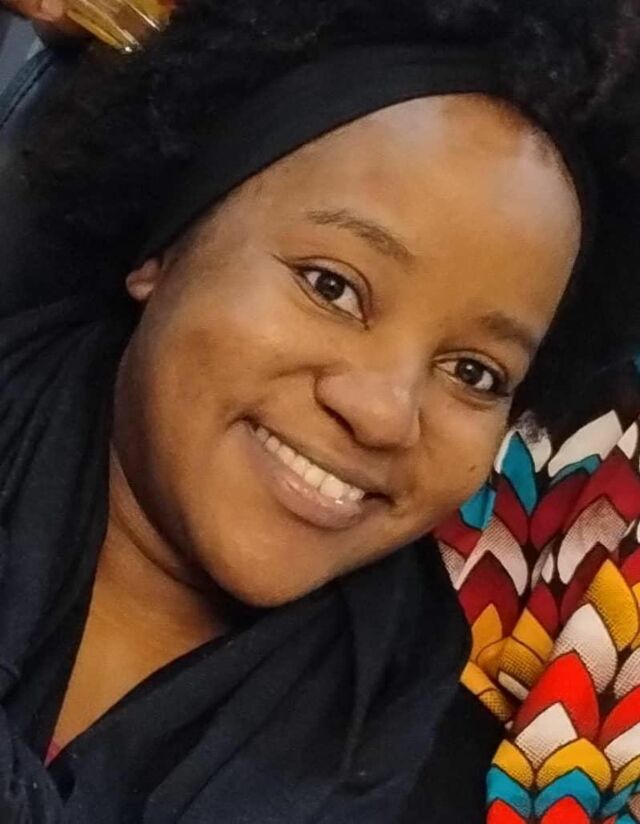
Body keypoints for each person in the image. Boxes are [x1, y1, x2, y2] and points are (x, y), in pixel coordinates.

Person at [0, 0, 638, 820]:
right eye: (332, 286)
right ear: (164, 245)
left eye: (474, 372)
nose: (384, 414)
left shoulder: (416, 786)